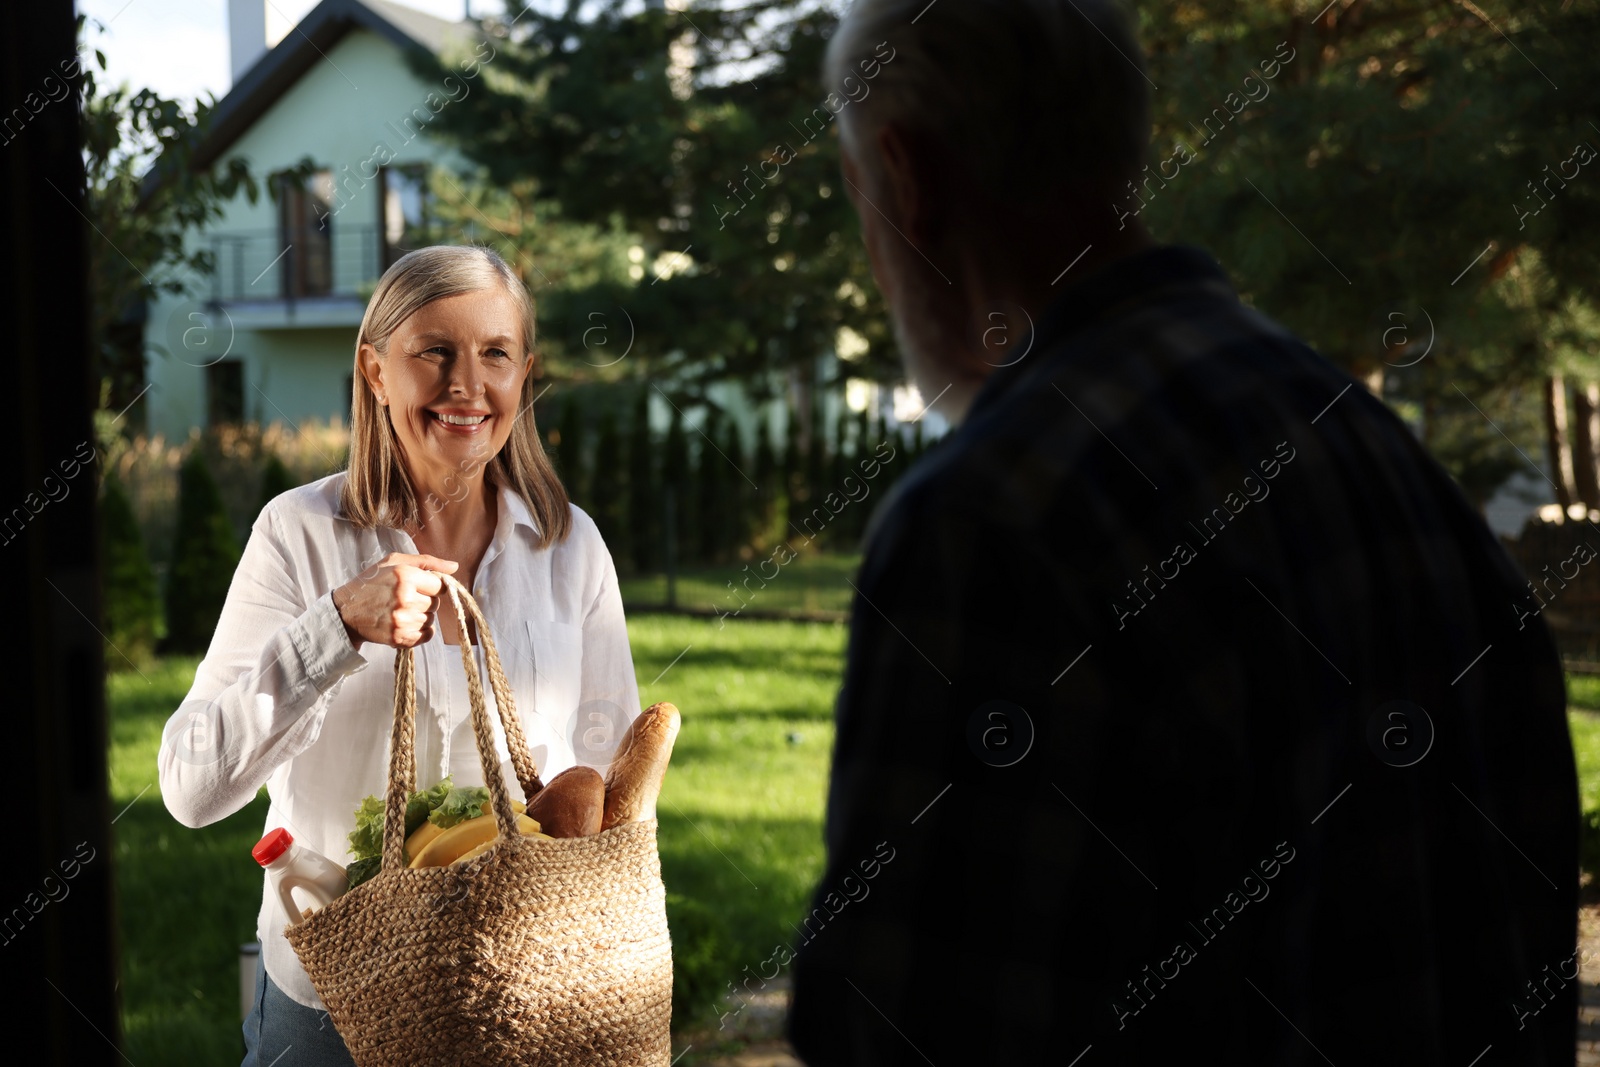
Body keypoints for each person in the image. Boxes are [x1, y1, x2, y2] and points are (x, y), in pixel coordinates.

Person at [786, 1, 1578, 1063]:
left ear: (908, 177)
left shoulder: (992, 518)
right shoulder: (1384, 461)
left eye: (856, 193)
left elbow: (905, 1029)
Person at [157, 245, 642, 1066]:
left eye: (494, 353)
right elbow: (189, 786)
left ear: (523, 374)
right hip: (330, 1017)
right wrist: (335, 626)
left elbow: (611, 797)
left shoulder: (570, 547)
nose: (466, 384)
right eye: (434, 351)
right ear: (375, 370)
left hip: (522, 1003)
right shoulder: (298, 534)